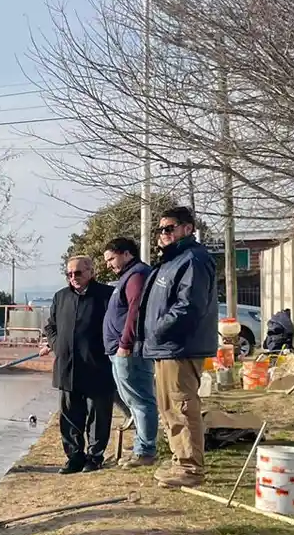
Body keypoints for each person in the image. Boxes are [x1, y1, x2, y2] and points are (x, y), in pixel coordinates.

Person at [135, 206, 219, 488]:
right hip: (165, 347)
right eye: (160, 229)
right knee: (169, 407)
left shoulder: (193, 259)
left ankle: (191, 469)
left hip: (180, 346)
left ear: (187, 228)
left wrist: (157, 329)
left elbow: (189, 306)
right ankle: (179, 459)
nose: (163, 234)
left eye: (169, 228)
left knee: (182, 406)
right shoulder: (172, 261)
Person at [41, 256, 116, 474]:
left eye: (78, 273)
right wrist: (57, 345)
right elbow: (51, 326)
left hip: (97, 366)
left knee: (97, 415)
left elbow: (116, 326)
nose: (73, 277)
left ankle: (95, 456)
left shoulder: (106, 296)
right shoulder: (60, 297)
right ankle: (74, 456)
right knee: (70, 415)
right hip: (67, 367)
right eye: (69, 274)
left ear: (91, 272)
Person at [102, 237, 159, 468]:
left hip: (129, 351)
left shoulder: (136, 276)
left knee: (140, 399)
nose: (108, 264)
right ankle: (140, 445)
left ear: (126, 254)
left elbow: (136, 311)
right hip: (119, 350)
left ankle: (145, 451)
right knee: (131, 399)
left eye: (111, 258)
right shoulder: (128, 276)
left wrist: (126, 343)